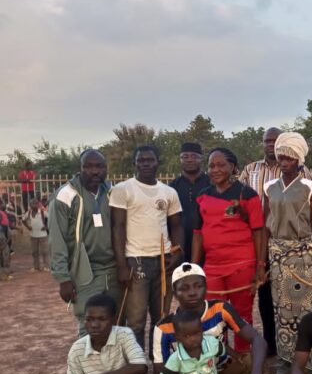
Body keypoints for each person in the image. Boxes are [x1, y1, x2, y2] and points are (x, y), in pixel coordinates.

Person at [240, 127, 312, 356]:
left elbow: (309, 206)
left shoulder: (303, 172)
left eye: (275, 141)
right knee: (267, 296)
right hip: (262, 240)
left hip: (295, 244)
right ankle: (272, 344)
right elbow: (240, 199)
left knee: (296, 296)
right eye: (267, 141)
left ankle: (299, 347)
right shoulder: (251, 170)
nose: (271, 145)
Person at [191, 147, 266, 354]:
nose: (215, 170)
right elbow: (198, 233)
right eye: (211, 166)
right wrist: (194, 267)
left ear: (233, 167)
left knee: (241, 316)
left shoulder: (247, 195)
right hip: (212, 266)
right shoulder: (203, 196)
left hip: (241, 265)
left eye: (220, 165)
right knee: (213, 316)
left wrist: (260, 266)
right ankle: (220, 358)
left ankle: (243, 358)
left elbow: (259, 232)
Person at [262, 133, 312, 374]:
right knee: (281, 310)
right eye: (281, 156)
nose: (285, 161)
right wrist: (263, 261)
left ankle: (309, 362)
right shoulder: (269, 188)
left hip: (303, 254)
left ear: (299, 160)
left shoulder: (310, 188)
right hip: (277, 254)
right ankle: (285, 362)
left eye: (290, 157)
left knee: (305, 308)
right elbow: (266, 226)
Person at [110, 145, 184, 349]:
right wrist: (121, 265)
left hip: (163, 261)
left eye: (149, 160)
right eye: (141, 160)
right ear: (134, 163)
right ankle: (136, 362)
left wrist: (177, 252)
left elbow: (177, 225)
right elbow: (118, 227)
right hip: (136, 261)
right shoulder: (123, 189)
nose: (145, 164)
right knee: (136, 320)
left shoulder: (169, 192)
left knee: (161, 317)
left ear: (157, 162)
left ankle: (158, 358)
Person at [48, 150, 122, 336]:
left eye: (99, 166)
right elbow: (57, 239)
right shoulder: (66, 195)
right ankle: (88, 356)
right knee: (89, 324)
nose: (94, 171)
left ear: (106, 168)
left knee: (117, 322)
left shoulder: (112, 192)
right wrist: (63, 279)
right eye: (88, 166)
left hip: (113, 269)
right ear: (79, 168)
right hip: (85, 270)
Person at [169, 142, 210, 264]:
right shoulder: (172, 187)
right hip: (180, 245)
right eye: (185, 157)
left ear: (201, 159)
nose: (189, 160)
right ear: (180, 159)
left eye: (194, 156)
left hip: (208, 244)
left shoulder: (211, 184)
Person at [22, 198, 49, 272]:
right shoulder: (29, 213)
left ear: (38, 205)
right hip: (33, 235)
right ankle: (36, 267)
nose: (34, 205)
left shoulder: (42, 212)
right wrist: (28, 227)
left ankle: (46, 266)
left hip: (43, 235)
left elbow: (50, 218)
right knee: (34, 252)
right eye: (32, 204)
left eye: (35, 204)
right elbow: (23, 220)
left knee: (45, 252)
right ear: (30, 205)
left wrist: (46, 227)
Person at [0, 200, 12, 281]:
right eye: (2, 203)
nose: (4, 205)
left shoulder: (3, 213)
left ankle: (4, 274)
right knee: (5, 256)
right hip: (2, 237)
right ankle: (5, 274)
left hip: (3, 237)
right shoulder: (1, 213)